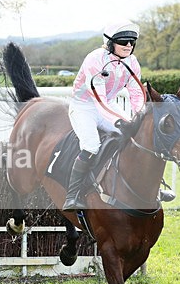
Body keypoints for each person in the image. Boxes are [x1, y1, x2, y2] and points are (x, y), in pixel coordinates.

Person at [62, 21, 146, 211]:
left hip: (109, 103)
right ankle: (72, 195)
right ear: (110, 42)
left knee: (134, 138)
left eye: (132, 41)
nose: (129, 45)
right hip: (84, 106)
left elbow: (136, 92)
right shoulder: (95, 59)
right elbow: (98, 98)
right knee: (91, 145)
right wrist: (119, 120)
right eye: (123, 41)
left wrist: (139, 115)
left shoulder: (132, 62)